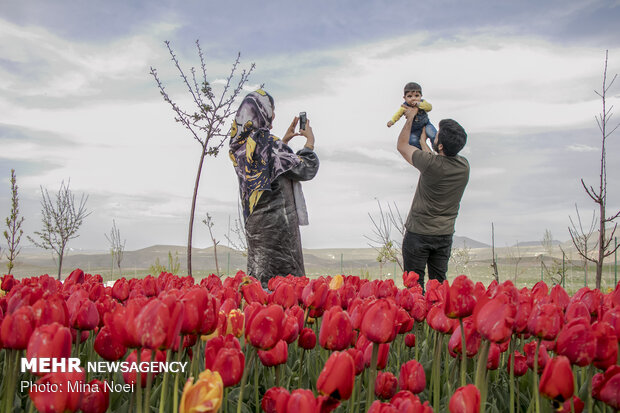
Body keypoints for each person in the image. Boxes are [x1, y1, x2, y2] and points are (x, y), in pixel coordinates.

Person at [229, 89, 319, 288]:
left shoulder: (240, 147)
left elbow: (270, 169)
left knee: (260, 290)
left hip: (257, 231)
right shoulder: (271, 146)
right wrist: (309, 143)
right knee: (285, 291)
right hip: (280, 234)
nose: (274, 115)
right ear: (263, 112)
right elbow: (306, 169)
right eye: (271, 109)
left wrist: (284, 142)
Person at [396, 104, 469, 290]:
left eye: (436, 135)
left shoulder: (430, 164)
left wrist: (411, 118)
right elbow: (438, 160)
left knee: (414, 288)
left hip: (419, 234)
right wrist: (424, 143)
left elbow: (402, 146)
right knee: (438, 288)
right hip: (444, 236)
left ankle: (417, 319)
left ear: (441, 145)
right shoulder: (464, 166)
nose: (433, 135)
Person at [387, 82, 437, 149]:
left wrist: (418, 104)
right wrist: (392, 121)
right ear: (404, 98)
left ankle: (437, 149)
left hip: (426, 124)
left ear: (421, 96)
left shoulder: (422, 103)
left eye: (416, 96)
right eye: (409, 96)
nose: (413, 98)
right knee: (412, 141)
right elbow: (398, 114)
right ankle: (421, 153)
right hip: (414, 129)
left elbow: (429, 107)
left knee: (433, 134)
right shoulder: (404, 107)